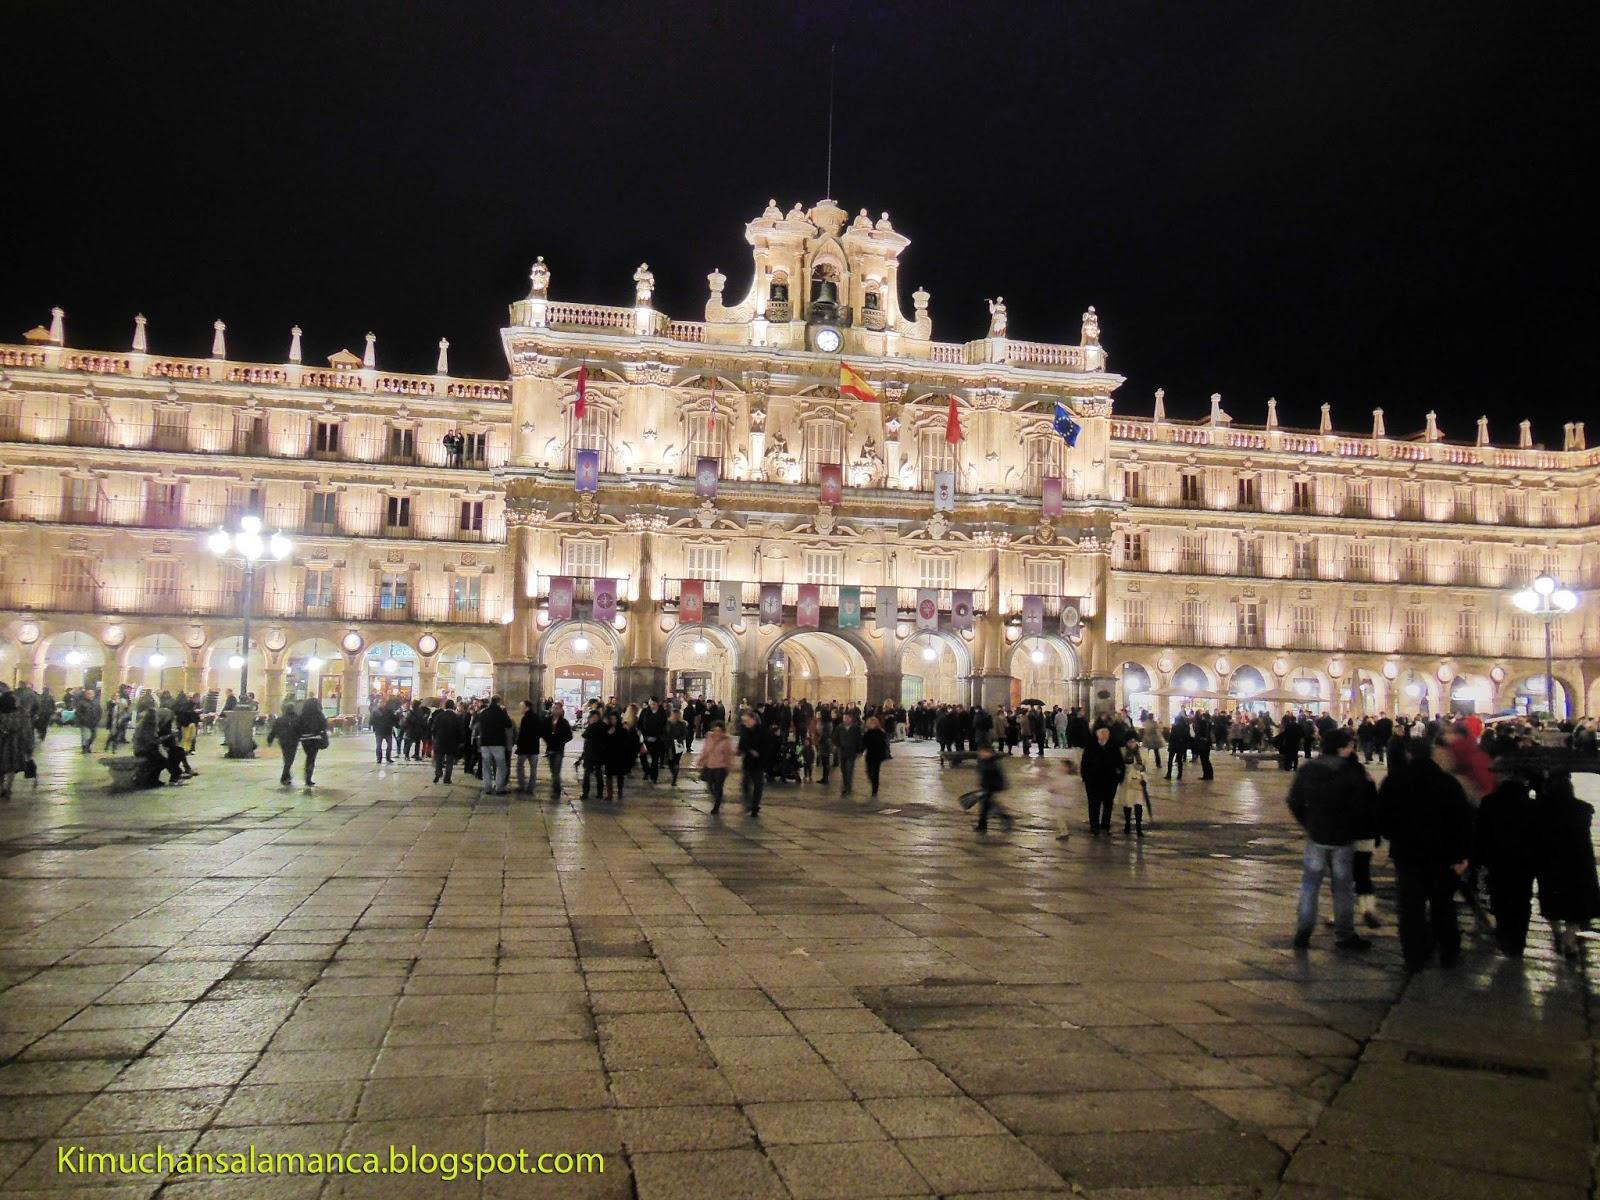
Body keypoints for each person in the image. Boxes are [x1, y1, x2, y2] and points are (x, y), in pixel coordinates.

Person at [1378, 737, 1473, 971]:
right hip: (1442, 855)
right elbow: (1462, 821)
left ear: (1408, 754)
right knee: (1443, 905)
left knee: (1410, 908)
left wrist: (1393, 836)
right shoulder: (1447, 783)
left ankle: (1414, 957)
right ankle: (1449, 953)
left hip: (1407, 854)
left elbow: (1381, 816)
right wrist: (1462, 855)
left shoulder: (1395, 780)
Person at [1286, 729, 1374, 951]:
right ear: (1341, 747)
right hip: (1343, 838)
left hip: (1317, 836)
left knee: (1310, 884)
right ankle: (1344, 934)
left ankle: (1304, 928)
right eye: (1349, 745)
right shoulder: (1350, 771)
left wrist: (1308, 823)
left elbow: (1294, 800)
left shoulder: (1308, 769)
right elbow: (1361, 805)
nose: (1352, 749)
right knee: (1342, 887)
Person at [1080, 726, 1126, 835]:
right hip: (1093, 782)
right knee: (1093, 804)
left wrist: (1119, 777)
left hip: (1109, 781)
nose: (1105, 735)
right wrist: (1086, 777)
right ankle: (1094, 826)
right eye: (1102, 733)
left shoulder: (1113, 747)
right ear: (1097, 735)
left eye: (1106, 733)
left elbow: (1120, 764)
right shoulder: (1091, 747)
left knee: (1108, 804)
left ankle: (1105, 825)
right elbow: (1084, 764)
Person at [0, 691, 35, 800]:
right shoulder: (22, 714)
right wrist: (29, 748)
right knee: (11, 767)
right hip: (15, 744)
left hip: (2, 741)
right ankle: (8, 787)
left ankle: (1, 788)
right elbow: (27, 732)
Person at [476, 695, 514, 795]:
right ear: (499, 702)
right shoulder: (501, 713)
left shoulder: (484, 713)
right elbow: (509, 725)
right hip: (498, 743)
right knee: (501, 766)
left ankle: (487, 787)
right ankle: (499, 787)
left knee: (486, 766)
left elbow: (479, 725)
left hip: (485, 743)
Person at [973, 744, 1012, 833]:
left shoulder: (992, 762)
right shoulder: (985, 761)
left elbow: (993, 775)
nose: (981, 754)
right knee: (987, 806)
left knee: (986, 806)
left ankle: (983, 826)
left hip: (992, 786)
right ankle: (984, 825)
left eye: (984, 752)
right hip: (988, 786)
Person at [700, 720, 735, 813]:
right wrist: (701, 759)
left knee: (718, 787)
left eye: (719, 730)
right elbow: (705, 750)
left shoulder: (726, 740)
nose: (717, 732)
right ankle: (718, 798)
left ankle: (716, 806)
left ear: (722, 731)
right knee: (710, 785)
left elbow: (729, 754)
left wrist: (729, 765)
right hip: (710, 765)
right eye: (715, 730)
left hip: (721, 767)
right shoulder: (709, 737)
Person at [1119, 734, 1150, 837]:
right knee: (1127, 803)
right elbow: (1119, 766)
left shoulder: (1142, 751)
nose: (1132, 744)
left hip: (1138, 780)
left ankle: (1138, 827)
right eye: (1129, 742)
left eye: (1133, 741)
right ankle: (1127, 824)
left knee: (1138, 804)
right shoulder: (1122, 752)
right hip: (1127, 781)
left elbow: (1147, 766)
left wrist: (1143, 772)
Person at [295, 697, 328, 786]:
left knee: (309, 756)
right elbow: (324, 726)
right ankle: (308, 777)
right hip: (315, 738)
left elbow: (298, 727)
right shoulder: (319, 715)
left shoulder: (303, 715)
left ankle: (307, 776)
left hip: (305, 740)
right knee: (311, 758)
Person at [430, 700, 464, 785]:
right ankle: (447, 778)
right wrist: (459, 741)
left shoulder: (439, 716)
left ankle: (438, 773)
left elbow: (433, 728)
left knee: (439, 759)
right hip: (452, 742)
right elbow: (460, 730)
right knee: (450, 761)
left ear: (445, 706)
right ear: (453, 707)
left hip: (440, 741)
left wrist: (435, 738)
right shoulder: (456, 717)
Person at [738, 711, 765, 816]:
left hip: (759, 762)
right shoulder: (744, 730)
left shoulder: (761, 730)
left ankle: (755, 805)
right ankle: (749, 803)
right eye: (744, 721)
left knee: (758, 785)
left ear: (753, 720)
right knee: (745, 784)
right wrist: (745, 750)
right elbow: (742, 744)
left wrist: (759, 752)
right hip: (748, 761)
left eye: (747, 720)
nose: (745, 723)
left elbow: (766, 744)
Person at [266, 704, 301, 786]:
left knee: (286, 758)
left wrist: (270, 740)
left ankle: (287, 776)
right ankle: (284, 776)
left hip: (283, 741)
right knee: (290, 759)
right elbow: (300, 729)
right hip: (293, 741)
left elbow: (274, 730)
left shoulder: (280, 719)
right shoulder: (297, 719)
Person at [514, 700, 543, 795]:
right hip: (534, 747)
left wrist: (518, 744)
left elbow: (522, 734)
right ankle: (531, 788)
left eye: (522, 707)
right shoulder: (537, 718)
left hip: (524, 748)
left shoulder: (525, 718)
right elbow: (540, 732)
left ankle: (522, 785)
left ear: (527, 707)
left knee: (519, 766)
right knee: (533, 769)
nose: (520, 709)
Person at [545, 702, 572, 797]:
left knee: (556, 771)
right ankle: (555, 788)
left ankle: (556, 791)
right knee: (553, 771)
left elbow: (569, 735)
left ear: (561, 710)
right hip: (550, 749)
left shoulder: (564, 722)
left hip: (559, 750)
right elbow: (543, 732)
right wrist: (548, 739)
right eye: (554, 708)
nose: (555, 710)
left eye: (557, 708)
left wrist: (561, 741)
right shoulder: (547, 720)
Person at [834, 711, 863, 796]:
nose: (845, 720)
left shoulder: (856, 728)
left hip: (851, 752)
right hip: (842, 752)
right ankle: (845, 785)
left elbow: (860, 740)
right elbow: (835, 737)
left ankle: (847, 788)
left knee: (849, 770)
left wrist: (859, 751)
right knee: (843, 770)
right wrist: (837, 745)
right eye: (844, 718)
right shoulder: (839, 727)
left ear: (851, 719)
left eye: (847, 718)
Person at [862, 716, 889, 798]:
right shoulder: (867, 733)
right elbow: (863, 744)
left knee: (876, 772)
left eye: (873, 723)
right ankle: (873, 782)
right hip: (869, 755)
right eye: (870, 723)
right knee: (868, 771)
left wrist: (884, 753)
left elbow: (884, 744)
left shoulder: (880, 733)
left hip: (878, 755)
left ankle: (875, 789)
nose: (871, 725)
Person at [664, 708, 690, 786]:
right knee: (669, 761)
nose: (675, 716)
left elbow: (685, 734)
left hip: (678, 745)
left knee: (676, 761)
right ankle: (673, 773)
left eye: (676, 715)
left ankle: (674, 778)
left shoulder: (682, 724)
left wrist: (679, 739)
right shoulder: (668, 723)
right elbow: (664, 732)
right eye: (673, 714)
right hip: (669, 745)